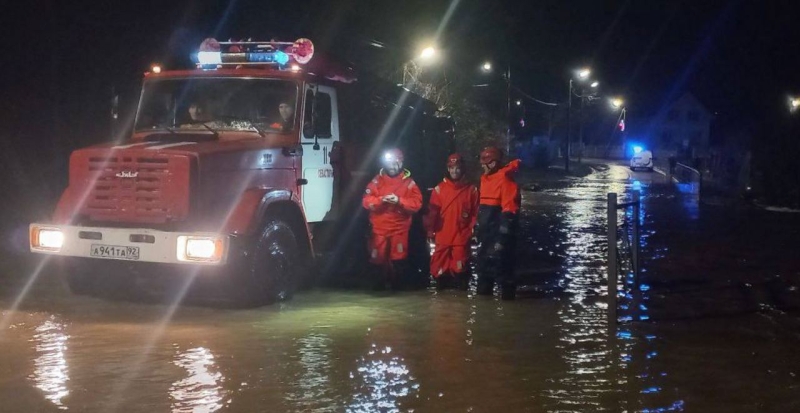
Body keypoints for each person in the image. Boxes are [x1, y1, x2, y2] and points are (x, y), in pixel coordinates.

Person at [362, 149, 423, 290]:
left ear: (401, 163)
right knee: (377, 260)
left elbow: (417, 204)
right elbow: (366, 201)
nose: (392, 166)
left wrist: (399, 201)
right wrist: (381, 200)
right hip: (379, 229)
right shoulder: (377, 181)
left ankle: (398, 289)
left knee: (399, 260)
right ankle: (378, 290)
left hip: (399, 230)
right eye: (389, 163)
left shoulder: (409, 183)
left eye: (396, 163)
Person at [424, 153, 479, 291]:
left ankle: (461, 301)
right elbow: (432, 213)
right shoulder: (439, 189)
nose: (454, 171)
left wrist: (473, 230)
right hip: (442, 234)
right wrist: (430, 230)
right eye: (452, 168)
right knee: (438, 268)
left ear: (462, 169)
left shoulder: (471, 190)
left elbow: (476, 212)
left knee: (461, 268)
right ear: (448, 169)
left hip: (461, 235)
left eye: (457, 168)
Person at [476, 146, 521, 300]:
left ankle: (507, 311)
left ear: (493, 163)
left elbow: (509, 212)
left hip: (500, 239)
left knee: (504, 274)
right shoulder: (485, 180)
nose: (482, 165)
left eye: (485, 162)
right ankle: (483, 315)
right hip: (487, 236)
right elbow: (483, 210)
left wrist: (502, 239)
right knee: (483, 274)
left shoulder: (505, 180)